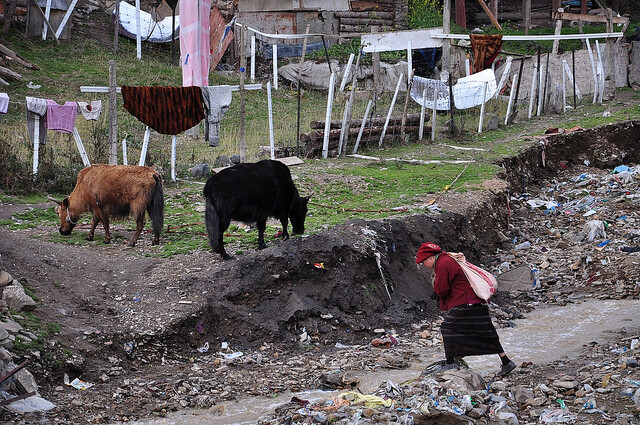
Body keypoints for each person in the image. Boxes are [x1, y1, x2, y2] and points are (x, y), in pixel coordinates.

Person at [416, 242, 516, 376]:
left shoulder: (443, 264)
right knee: (486, 331)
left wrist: (436, 286)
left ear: (430, 258)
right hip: (475, 300)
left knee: (447, 327)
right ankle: (506, 361)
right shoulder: (447, 259)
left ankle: (451, 362)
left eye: (423, 262)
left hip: (466, 301)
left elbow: (442, 289)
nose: (424, 265)